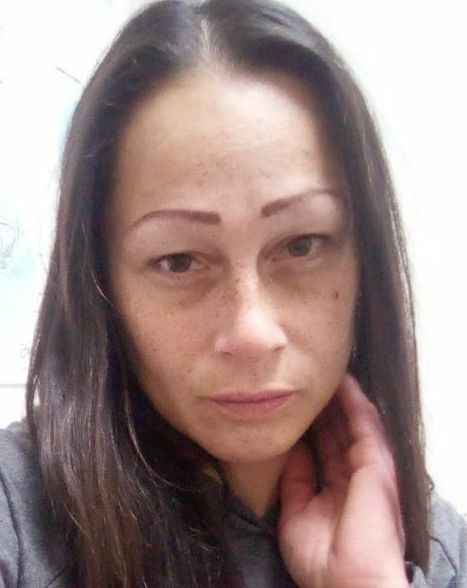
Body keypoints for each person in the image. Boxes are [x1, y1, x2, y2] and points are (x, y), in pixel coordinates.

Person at [0, 0, 466, 586]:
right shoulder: (18, 518)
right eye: (178, 261)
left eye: (301, 245)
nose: (252, 333)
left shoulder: (428, 543)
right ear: (102, 285)